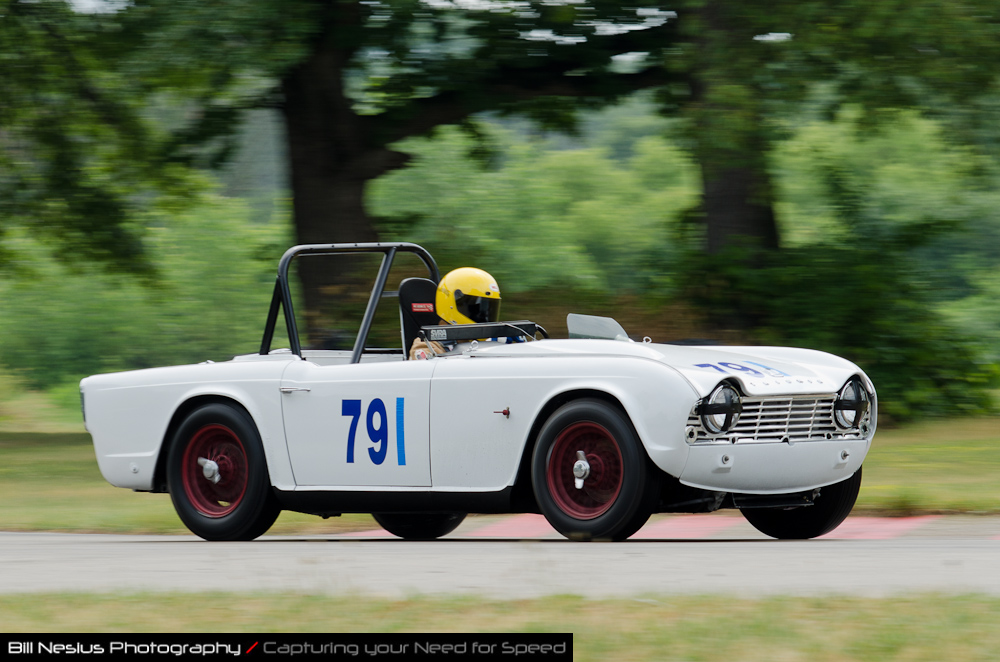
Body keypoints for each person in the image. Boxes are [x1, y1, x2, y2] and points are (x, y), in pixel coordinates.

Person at [409, 267, 501, 359]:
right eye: (475, 308)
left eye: (488, 308)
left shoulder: (487, 343)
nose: (482, 315)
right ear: (453, 304)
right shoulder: (426, 345)